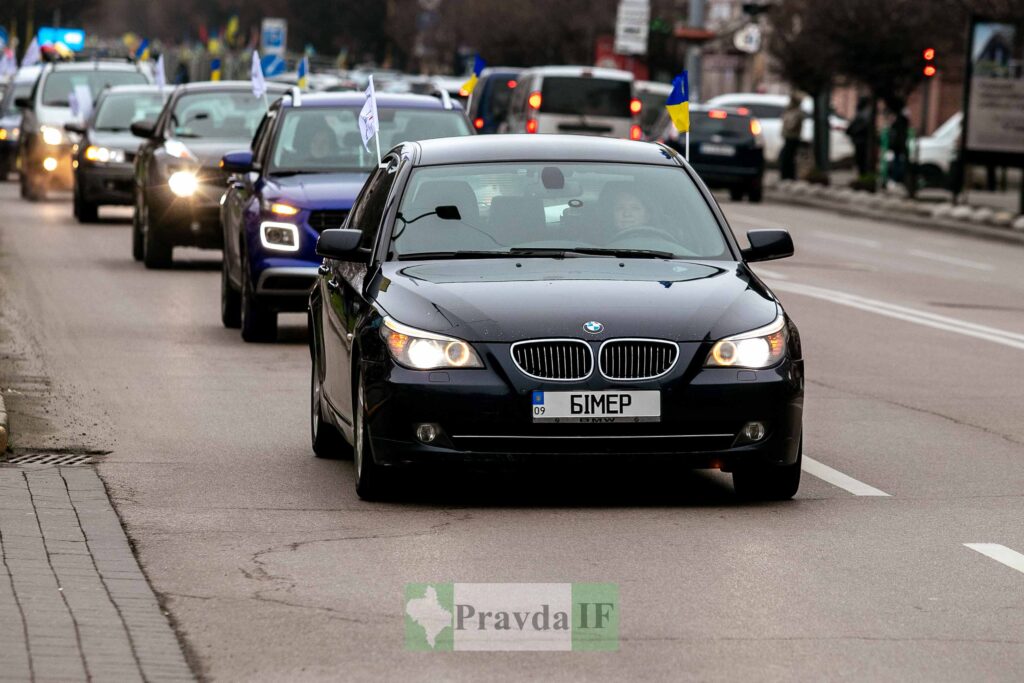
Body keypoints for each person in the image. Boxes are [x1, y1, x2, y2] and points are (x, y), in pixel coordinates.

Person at [779, 94, 805, 181]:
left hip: (793, 138)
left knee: (788, 158)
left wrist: (787, 124)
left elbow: (791, 126)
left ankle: (789, 176)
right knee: (785, 157)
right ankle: (786, 176)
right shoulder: (789, 111)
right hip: (787, 137)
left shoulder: (797, 113)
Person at [846, 96, 873, 177]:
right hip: (862, 140)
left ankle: (863, 176)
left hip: (859, 140)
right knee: (862, 160)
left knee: (860, 160)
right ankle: (863, 176)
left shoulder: (860, 113)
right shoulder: (864, 114)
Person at [887, 102, 909, 184]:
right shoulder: (903, 119)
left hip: (897, 144)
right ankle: (898, 178)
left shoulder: (899, 120)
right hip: (900, 144)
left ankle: (896, 178)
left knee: (897, 162)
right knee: (898, 161)